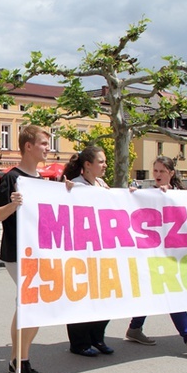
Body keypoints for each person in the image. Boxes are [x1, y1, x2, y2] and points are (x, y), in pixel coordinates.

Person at [125, 156, 187, 355]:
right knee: (172, 294)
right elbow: (131, 204)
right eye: (155, 171)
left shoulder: (182, 195)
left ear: (171, 173)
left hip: (175, 255)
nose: (157, 175)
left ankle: (135, 328)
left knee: (154, 292)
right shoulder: (147, 194)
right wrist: (130, 194)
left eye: (161, 171)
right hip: (152, 254)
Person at [0, 124, 49, 373]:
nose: (48, 148)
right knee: (31, 305)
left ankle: (17, 360)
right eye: (44, 143)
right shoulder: (11, 178)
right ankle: (21, 362)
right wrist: (13, 204)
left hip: (38, 253)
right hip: (16, 253)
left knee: (29, 305)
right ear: (28, 146)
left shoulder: (43, 181)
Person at [61, 146, 113, 356]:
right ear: (87, 165)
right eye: (101, 161)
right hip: (81, 251)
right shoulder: (76, 186)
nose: (105, 165)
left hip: (101, 249)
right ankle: (79, 342)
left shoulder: (101, 184)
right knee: (82, 298)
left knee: (106, 296)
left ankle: (97, 337)